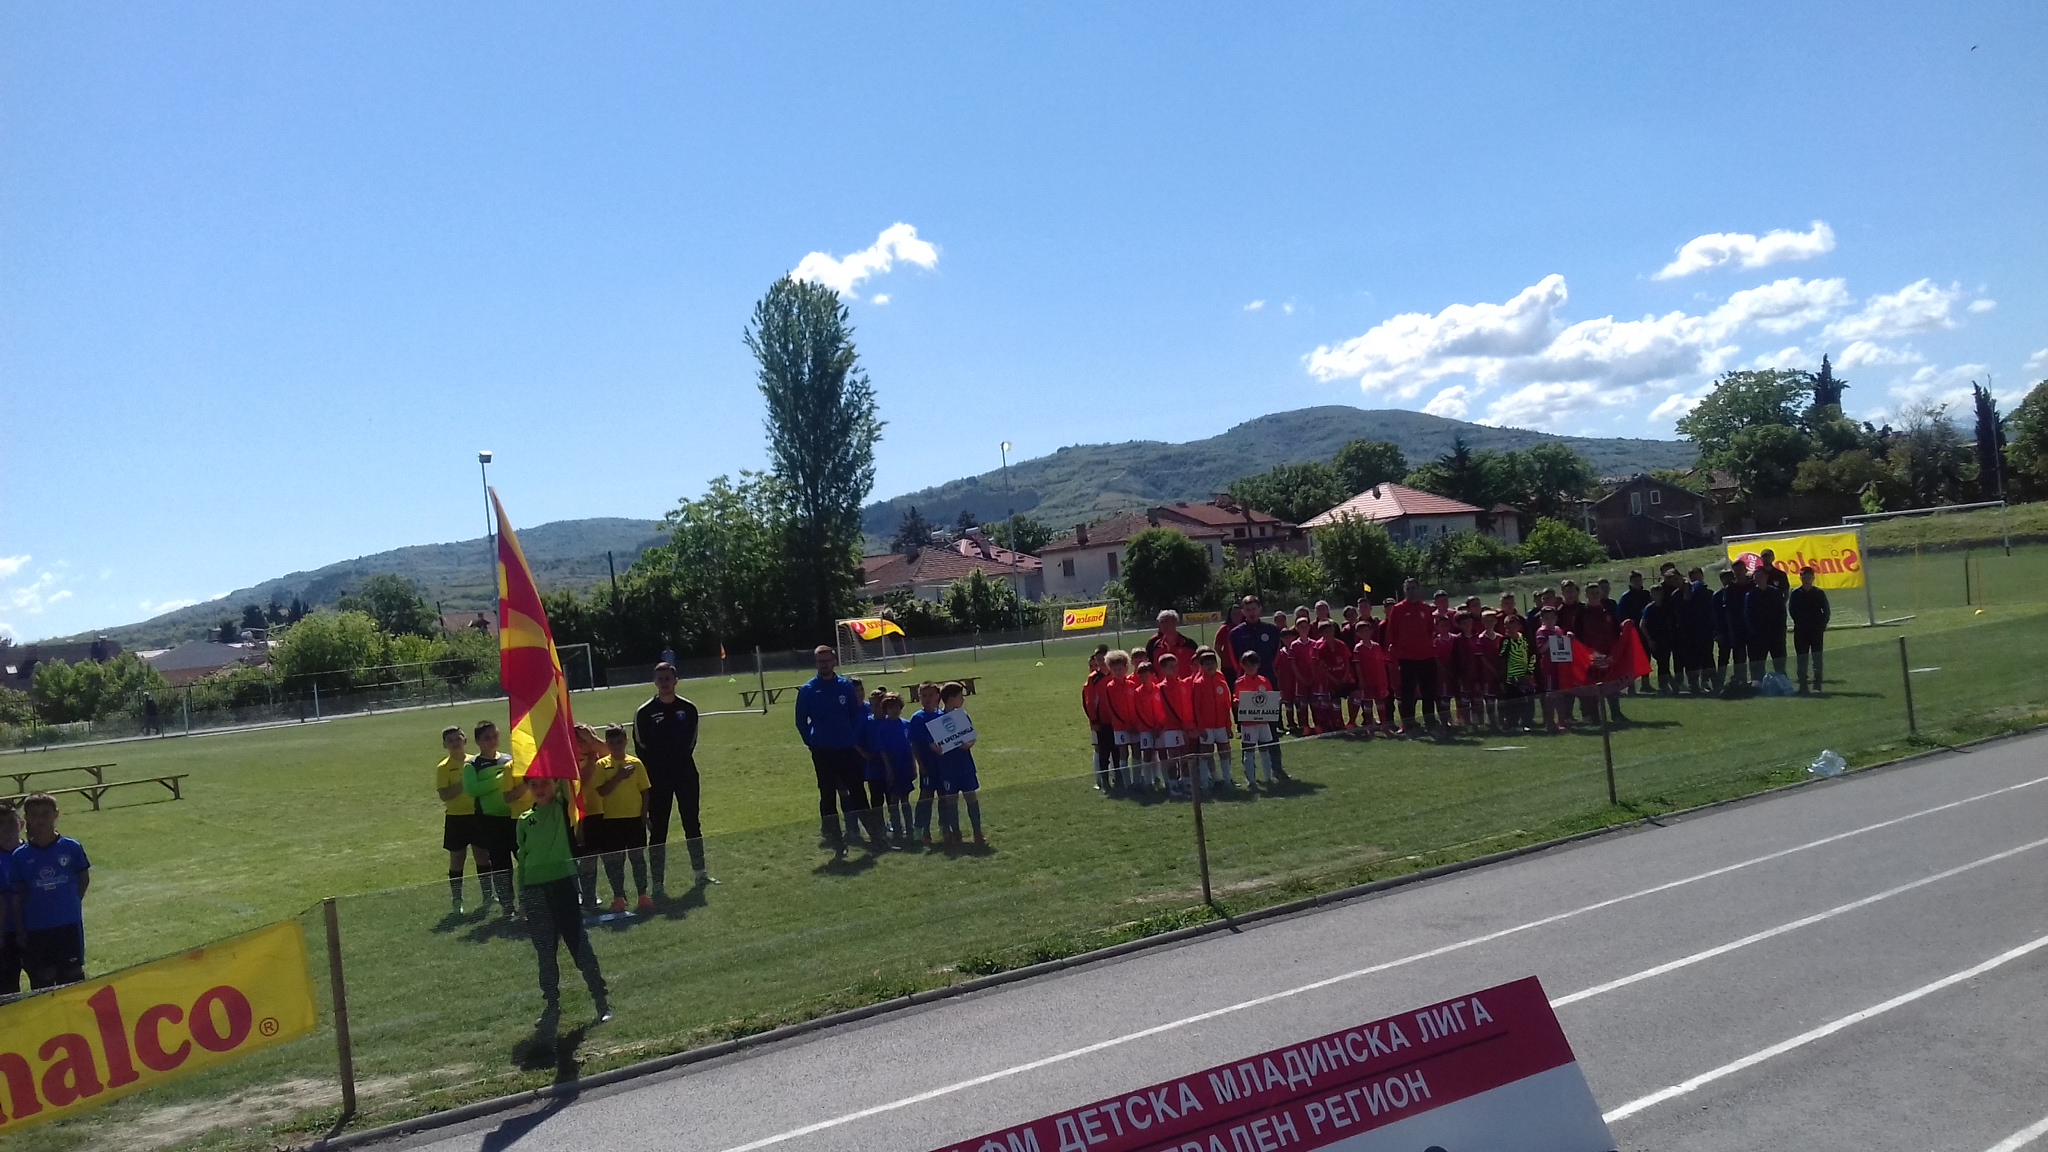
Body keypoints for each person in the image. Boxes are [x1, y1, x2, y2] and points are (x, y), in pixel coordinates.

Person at [516, 775, 611, 1032]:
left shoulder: (561, 809)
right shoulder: (524, 821)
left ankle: (601, 1001)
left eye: (545, 783)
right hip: (535, 891)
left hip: (564, 885)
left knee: (578, 943)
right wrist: (522, 896)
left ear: (555, 784)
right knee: (545, 952)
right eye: (533, 785)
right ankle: (551, 1004)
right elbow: (522, 862)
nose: (539, 789)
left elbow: (572, 785)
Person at [635, 663, 713, 894]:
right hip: (658, 779)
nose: (665, 682)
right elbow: (641, 746)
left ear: (676, 680)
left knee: (692, 823)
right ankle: (657, 883)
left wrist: (677, 761)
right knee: (658, 830)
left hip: (686, 773)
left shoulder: (688, 709)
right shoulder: (645, 712)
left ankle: (701, 874)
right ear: (655, 682)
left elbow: (692, 741)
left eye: (668, 678)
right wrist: (658, 768)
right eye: (660, 679)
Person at [794, 645, 877, 858]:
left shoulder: (845, 687)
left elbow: (854, 714)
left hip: (847, 749)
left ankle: (875, 838)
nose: (824, 664)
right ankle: (838, 842)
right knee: (828, 795)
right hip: (823, 751)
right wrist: (811, 742)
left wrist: (850, 737)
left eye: (827, 660)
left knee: (858, 793)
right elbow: (801, 721)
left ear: (834, 661)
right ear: (816, 663)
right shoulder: (808, 690)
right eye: (820, 661)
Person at [12, 794, 89, 989]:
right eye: (35, 815)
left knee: (73, 975)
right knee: (44, 977)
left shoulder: (71, 847)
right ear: (27, 818)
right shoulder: (20, 856)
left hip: (68, 925)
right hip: (37, 927)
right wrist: (22, 928)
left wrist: (69, 902)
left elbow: (82, 879)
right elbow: (19, 895)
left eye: (45, 814)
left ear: (55, 815)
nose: (40, 820)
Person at [463, 720, 526, 920]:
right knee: (500, 864)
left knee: (524, 860)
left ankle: (528, 902)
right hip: (490, 821)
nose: (492, 741)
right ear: (477, 741)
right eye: (487, 738)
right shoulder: (472, 765)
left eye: (495, 736)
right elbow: (473, 789)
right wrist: (501, 778)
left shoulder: (508, 759)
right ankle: (507, 905)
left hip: (514, 818)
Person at [592, 725, 653, 913]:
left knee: (637, 858)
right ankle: (619, 897)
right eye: (612, 742)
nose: (616, 745)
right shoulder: (602, 765)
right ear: (607, 744)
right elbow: (601, 791)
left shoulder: (636, 763)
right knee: (615, 861)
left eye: (620, 741)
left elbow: (645, 792)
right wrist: (618, 777)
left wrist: (645, 816)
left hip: (634, 819)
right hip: (612, 820)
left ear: (626, 740)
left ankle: (642, 895)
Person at [434, 725, 484, 914]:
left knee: (482, 855)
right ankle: (457, 900)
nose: (455, 743)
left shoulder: (476, 761)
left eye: (458, 739)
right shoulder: (443, 768)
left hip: (478, 815)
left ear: (465, 740)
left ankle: (487, 895)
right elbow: (444, 795)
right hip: (456, 819)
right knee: (457, 858)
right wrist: (464, 783)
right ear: (445, 745)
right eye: (450, 740)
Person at [929, 681, 984, 846]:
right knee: (951, 800)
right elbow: (932, 742)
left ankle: (977, 831)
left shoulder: (963, 716)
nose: (963, 700)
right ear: (951, 699)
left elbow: (971, 736)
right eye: (961, 696)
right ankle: (955, 832)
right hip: (948, 768)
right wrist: (937, 749)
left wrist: (966, 744)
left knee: (971, 797)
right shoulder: (938, 720)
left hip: (965, 765)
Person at [1384, 578, 1441, 735]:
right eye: (1408, 589)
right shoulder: (1398, 609)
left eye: (1413, 588)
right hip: (1407, 659)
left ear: (1419, 589)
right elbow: (1392, 634)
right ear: (1404, 591)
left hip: (1426, 657)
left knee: (1428, 693)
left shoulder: (1426, 609)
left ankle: (1430, 723)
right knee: (1407, 694)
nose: (1411, 591)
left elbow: (1431, 631)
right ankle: (1408, 725)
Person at [863, 694, 916, 844]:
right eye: (891, 708)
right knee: (893, 800)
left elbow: (911, 747)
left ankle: (909, 828)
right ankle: (897, 828)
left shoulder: (906, 724)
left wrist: (914, 766)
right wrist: (889, 770)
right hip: (893, 767)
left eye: (897, 707)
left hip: (905, 766)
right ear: (885, 709)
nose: (895, 710)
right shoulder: (884, 727)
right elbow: (883, 751)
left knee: (905, 799)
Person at [1233, 651, 1283, 789]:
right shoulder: (1240, 682)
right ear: (1242, 665)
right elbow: (1235, 699)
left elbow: (1270, 698)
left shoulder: (1264, 681)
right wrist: (1237, 702)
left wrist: (1277, 701)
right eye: (1247, 665)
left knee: (1264, 749)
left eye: (1253, 664)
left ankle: (1267, 778)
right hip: (1248, 723)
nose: (1250, 667)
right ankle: (1251, 779)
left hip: (1263, 722)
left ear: (1258, 665)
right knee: (1248, 750)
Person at [1190, 648, 1234, 789]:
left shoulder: (1221, 680)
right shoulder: (1198, 683)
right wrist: (1201, 728)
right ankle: (1204, 783)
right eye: (1206, 663)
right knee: (1206, 754)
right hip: (1207, 727)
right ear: (1201, 666)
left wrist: (1228, 726)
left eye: (1212, 663)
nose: (1210, 666)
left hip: (1221, 725)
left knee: (1225, 752)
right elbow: (1196, 708)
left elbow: (1226, 705)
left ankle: (1227, 780)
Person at [908, 681, 946, 841]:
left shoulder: (943, 716)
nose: (927, 698)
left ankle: (945, 828)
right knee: (926, 797)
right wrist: (920, 765)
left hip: (943, 765)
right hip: (927, 764)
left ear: (938, 696)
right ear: (919, 698)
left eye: (931, 695)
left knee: (944, 796)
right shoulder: (918, 718)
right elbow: (914, 744)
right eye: (924, 696)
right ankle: (921, 830)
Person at [1222, 597, 1283, 689]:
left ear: (1260, 609)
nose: (1251, 612)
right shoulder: (1235, 633)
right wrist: (1245, 671)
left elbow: (1276, 655)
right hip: (1245, 680)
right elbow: (1234, 659)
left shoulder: (1272, 630)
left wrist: (1269, 668)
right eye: (1247, 610)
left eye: (1254, 609)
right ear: (1243, 612)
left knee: (1270, 703)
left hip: (1268, 676)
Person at [1745, 561, 1790, 684]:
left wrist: (1781, 630)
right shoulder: (1751, 595)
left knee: (1779, 662)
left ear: (1766, 577)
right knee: (1758, 665)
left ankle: (1783, 685)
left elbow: (1781, 612)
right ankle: (1758, 686)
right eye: (1756, 577)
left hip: (1776, 634)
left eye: (1761, 576)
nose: (1758, 579)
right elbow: (1749, 616)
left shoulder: (1775, 593)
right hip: (1759, 636)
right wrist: (1755, 633)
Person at [1789, 566, 1832, 694]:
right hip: (1801, 630)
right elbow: (1792, 610)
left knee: (1817, 658)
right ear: (1800, 577)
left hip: (1816, 631)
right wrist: (1799, 622)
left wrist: (1822, 625)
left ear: (1813, 578)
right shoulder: (1796, 593)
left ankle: (1817, 685)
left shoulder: (1819, 593)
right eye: (1804, 577)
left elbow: (1826, 610)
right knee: (1802, 658)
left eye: (1809, 577)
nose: (1806, 579)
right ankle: (1803, 685)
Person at [1100, 653, 1139, 793]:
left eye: (1120, 669)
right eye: (1115, 670)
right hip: (1120, 727)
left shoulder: (1132, 685)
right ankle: (1127, 783)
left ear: (1126, 668)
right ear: (1110, 670)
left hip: (1135, 725)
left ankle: (1137, 781)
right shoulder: (1110, 687)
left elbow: (1137, 705)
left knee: (1136, 752)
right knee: (1123, 752)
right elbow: (1112, 709)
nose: (1118, 672)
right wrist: (1125, 724)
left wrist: (1135, 723)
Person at [1083, 646, 1115, 791]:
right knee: (1103, 752)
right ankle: (1104, 781)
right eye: (1099, 660)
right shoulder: (1093, 679)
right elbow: (1090, 702)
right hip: (1101, 722)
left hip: (1115, 720)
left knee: (1117, 751)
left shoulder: (1115, 673)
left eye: (1104, 659)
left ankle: (1119, 779)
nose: (1101, 662)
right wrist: (1094, 720)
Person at [1715, 567, 1751, 694]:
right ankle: (1719, 682)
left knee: (1739, 657)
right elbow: (1715, 616)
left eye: (1730, 577)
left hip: (1737, 630)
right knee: (1723, 658)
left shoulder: (1737, 592)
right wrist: (1717, 633)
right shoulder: (1718, 595)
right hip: (1724, 631)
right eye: (1725, 578)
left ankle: (1740, 680)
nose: (1727, 581)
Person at [1639, 584, 1679, 695]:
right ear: (1651, 595)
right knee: (1662, 663)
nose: (1658, 596)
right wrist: (1649, 639)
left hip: (1665, 639)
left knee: (1664, 663)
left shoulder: (1665, 607)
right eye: (1655, 594)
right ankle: (1667, 685)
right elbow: (1642, 625)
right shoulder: (1649, 609)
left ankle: (1666, 685)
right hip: (1655, 639)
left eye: (1660, 593)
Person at [1500, 614, 1537, 732]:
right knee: (1511, 701)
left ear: (1518, 626)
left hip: (1525, 675)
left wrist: (1529, 672)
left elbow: (1532, 656)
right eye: (1507, 626)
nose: (1509, 629)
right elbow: (1501, 657)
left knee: (1528, 701)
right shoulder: (1505, 641)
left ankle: (1527, 723)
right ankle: (1511, 723)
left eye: (1512, 626)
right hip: (1511, 676)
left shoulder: (1525, 640)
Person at [0, 802, 22, 994]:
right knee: (8, 988)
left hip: (35, 929)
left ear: (21, 824)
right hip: (5, 933)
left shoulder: (32, 852)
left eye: (10, 822)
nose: (6, 828)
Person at [1144, 611, 1199, 677]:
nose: (1164, 625)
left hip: (1185, 686)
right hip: (1163, 686)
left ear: (1175, 623)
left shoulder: (1189, 645)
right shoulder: (1154, 646)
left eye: (1167, 621)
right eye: (1161, 622)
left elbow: (1198, 668)